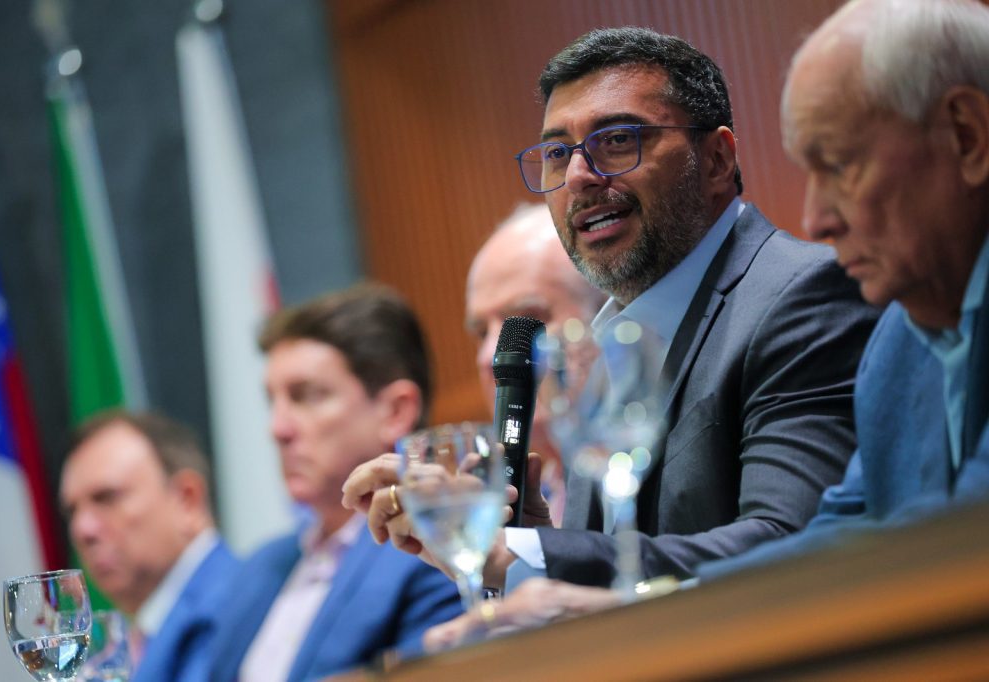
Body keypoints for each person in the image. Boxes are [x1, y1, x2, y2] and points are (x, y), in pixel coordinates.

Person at [345, 26, 879, 600]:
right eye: (557, 153)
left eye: (618, 140)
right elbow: (626, 575)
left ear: (717, 159)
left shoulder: (802, 295)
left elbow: (791, 546)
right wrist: (530, 544)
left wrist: (527, 555)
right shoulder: (604, 344)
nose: (579, 176)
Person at [694, 0, 989, 578]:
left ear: (967, 136)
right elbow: (841, 539)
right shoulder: (897, 342)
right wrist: (629, 606)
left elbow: (963, 539)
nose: (817, 220)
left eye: (839, 165)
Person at [207, 284, 463, 681]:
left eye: (307, 396)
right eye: (272, 401)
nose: (277, 428)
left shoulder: (439, 550)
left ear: (395, 411)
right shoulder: (259, 567)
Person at [60, 410, 237, 681]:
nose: (82, 529)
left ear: (187, 500)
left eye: (106, 497)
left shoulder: (233, 608)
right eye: (72, 511)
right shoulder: (122, 648)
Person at [465, 202, 606, 523]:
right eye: (481, 332)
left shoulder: (641, 470)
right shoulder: (525, 500)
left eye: (528, 318)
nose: (489, 356)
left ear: (605, 316)